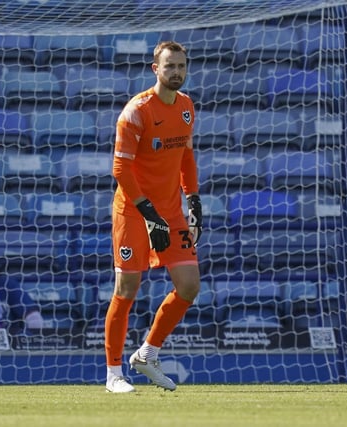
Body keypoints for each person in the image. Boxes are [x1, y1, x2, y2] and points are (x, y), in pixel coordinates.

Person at [104, 40, 203, 393]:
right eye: (169, 66)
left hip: (171, 211)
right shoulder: (136, 111)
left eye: (181, 65)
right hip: (133, 210)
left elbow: (186, 156)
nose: (176, 72)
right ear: (155, 69)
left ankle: (147, 354)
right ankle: (114, 374)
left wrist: (193, 200)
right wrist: (147, 213)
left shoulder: (187, 107)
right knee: (127, 287)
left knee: (189, 285)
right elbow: (120, 168)